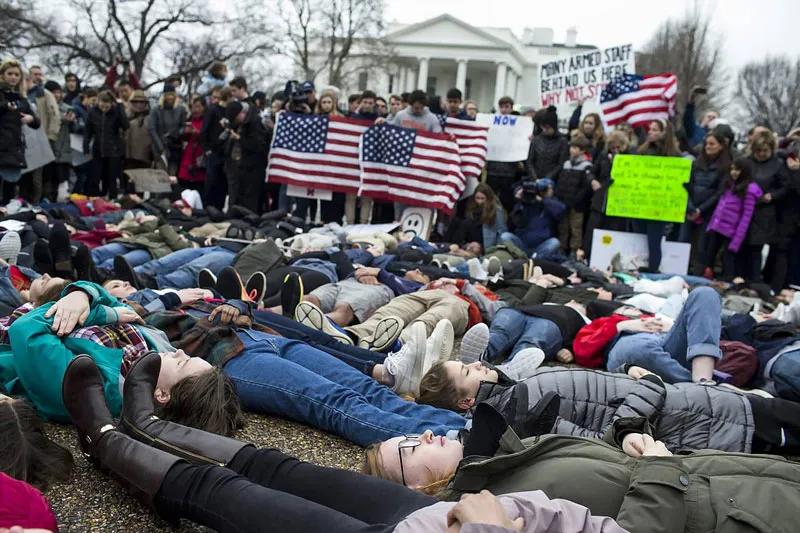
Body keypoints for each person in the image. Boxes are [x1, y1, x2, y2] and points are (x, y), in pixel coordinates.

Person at [59, 352, 619, 533]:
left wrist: (488, 528)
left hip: (467, 520)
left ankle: (106, 440)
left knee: (226, 492)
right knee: (274, 466)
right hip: (446, 514)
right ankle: (150, 428)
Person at [367, 403, 800, 533]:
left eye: (411, 434)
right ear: (423, 492)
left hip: (736, 480)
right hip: (735, 515)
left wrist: (622, 438)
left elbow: (599, 466)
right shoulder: (497, 509)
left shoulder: (499, 460)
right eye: (408, 452)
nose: (422, 436)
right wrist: (658, 472)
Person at [418, 359, 800, 457]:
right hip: (714, 424)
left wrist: (622, 373)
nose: (480, 366)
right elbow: (604, 443)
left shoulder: (517, 393)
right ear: (467, 402)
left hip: (708, 406)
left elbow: (594, 395)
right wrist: (645, 390)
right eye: (468, 371)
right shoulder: (520, 411)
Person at [605, 286, 725, 384]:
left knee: (705, 293)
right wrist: (620, 325)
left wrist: (671, 325)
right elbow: (586, 346)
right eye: (627, 308)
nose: (635, 310)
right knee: (637, 350)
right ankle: (701, 386)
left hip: (669, 340)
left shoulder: (659, 314)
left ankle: (703, 380)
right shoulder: (609, 321)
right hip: (627, 341)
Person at [744, 130, 791, 289]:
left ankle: (756, 279)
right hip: (745, 208)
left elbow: (785, 186)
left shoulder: (777, 164)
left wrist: (772, 195)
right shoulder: (747, 162)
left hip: (766, 211)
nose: (761, 154)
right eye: (758, 151)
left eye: (765, 151)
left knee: (757, 247)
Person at [702, 157, 762, 279]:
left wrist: (737, 240)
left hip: (731, 232)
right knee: (708, 257)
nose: (734, 172)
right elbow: (719, 207)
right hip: (717, 227)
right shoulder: (728, 184)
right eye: (732, 169)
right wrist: (711, 225)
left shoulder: (749, 190)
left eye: (737, 170)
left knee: (728, 261)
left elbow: (746, 217)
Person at [633, 119, 681, 273]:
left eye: (655, 129)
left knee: (654, 239)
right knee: (639, 234)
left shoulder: (673, 155)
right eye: (650, 129)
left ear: (663, 133)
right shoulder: (642, 151)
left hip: (659, 205)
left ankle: (653, 269)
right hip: (640, 202)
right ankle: (635, 264)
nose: (650, 132)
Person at [681, 131, 731, 272]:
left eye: (712, 144)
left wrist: (700, 210)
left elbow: (719, 192)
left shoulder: (725, 167)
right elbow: (687, 186)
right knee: (684, 239)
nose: (708, 147)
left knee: (703, 245)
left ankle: (698, 271)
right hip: (690, 209)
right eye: (706, 144)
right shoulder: (696, 163)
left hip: (708, 211)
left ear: (721, 146)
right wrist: (690, 208)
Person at [583, 130, 633, 256]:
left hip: (618, 203)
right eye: (612, 148)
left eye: (617, 147)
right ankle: (588, 255)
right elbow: (593, 171)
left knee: (614, 232)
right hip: (600, 199)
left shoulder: (630, 157)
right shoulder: (603, 155)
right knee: (592, 230)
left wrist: (615, 163)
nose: (614, 150)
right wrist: (593, 180)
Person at [0, 61, 39, 203]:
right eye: (9, 73)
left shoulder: (21, 99)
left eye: (16, 74)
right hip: (1, 146)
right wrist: (5, 106)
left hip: (14, 150)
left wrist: (31, 118)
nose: (13, 77)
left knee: (9, 194)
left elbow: (37, 123)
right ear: (2, 75)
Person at [500, 180, 565, 260]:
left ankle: (533, 261)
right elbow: (513, 222)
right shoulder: (522, 203)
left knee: (555, 242)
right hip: (522, 244)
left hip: (541, 246)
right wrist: (518, 201)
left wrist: (542, 200)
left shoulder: (548, 203)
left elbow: (561, 210)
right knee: (505, 237)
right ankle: (523, 258)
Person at [224, 101, 269, 214]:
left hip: (253, 168)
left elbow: (259, 146)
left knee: (250, 201)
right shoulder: (240, 124)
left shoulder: (255, 123)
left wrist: (240, 139)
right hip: (240, 167)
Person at [83, 90, 129, 198]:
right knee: (95, 177)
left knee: (111, 178)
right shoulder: (93, 112)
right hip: (98, 149)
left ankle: (112, 198)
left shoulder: (116, 111)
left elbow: (126, 125)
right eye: (102, 106)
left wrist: (119, 108)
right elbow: (88, 131)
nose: (104, 109)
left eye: (107, 106)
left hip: (113, 150)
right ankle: (96, 198)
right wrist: (86, 147)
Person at [554, 135, 593, 257]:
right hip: (563, 202)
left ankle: (574, 250)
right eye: (571, 147)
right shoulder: (566, 164)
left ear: (582, 150)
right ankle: (562, 248)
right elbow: (561, 181)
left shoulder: (586, 166)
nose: (572, 150)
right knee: (563, 227)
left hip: (577, 205)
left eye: (576, 148)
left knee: (576, 228)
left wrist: (576, 200)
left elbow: (585, 188)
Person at [40, 81, 77, 202]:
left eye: (59, 92)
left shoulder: (67, 108)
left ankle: (56, 202)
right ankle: (45, 199)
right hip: (46, 147)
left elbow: (76, 129)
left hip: (62, 149)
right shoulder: (42, 107)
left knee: (60, 178)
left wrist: (71, 121)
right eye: (54, 92)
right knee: (46, 178)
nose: (57, 95)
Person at [486, 96, 524, 212]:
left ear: (511, 108)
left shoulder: (519, 125)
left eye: (506, 107)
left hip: (509, 170)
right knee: (490, 199)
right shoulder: (492, 123)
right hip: (493, 168)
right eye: (501, 107)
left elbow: (521, 142)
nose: (504, 110)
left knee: (506, 201)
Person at [200, 86, 230, 209]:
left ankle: (219, 208)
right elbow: (204, 130)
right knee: (211, 181)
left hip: (225, 152)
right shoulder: (213, 110)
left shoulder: (229, 111)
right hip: (213, 151)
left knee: (222, 184)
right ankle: (207, 207)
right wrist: (206, 149)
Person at [148, 83, 186, 176]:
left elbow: (183, 125)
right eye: (168, 95)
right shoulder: (156, 110)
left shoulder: (180, 109)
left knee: (172, 175)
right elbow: (152, 129)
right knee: (161, 175)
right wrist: (160, 146)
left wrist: (177, 134)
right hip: (160, 147)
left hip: (174, 147)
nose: (170, 97)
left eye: (172, 95)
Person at [464, 183, 507, 250]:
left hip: (489, 247)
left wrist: (498, 249)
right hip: (473, 246)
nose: (479, 201)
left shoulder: (496, 210)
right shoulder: (471, 208)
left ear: (488, 198)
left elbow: (501, 231)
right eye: (477, 198)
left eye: (482, 198)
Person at [177, 97, 207, 191]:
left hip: (200, 155)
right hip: (188, 155)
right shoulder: (190, 120)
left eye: (198, 107)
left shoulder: (207, 121)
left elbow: (209, 137)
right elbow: (183, 138)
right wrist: (185, 132)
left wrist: (197, 132)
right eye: (193, 107)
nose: (195, 110)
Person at [123, 90, 153, 174]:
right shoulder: (125, 115)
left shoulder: (150, 117)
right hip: (127, 156)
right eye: (135, 102)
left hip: (145, 156)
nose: (138, 104)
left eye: (141, 102)